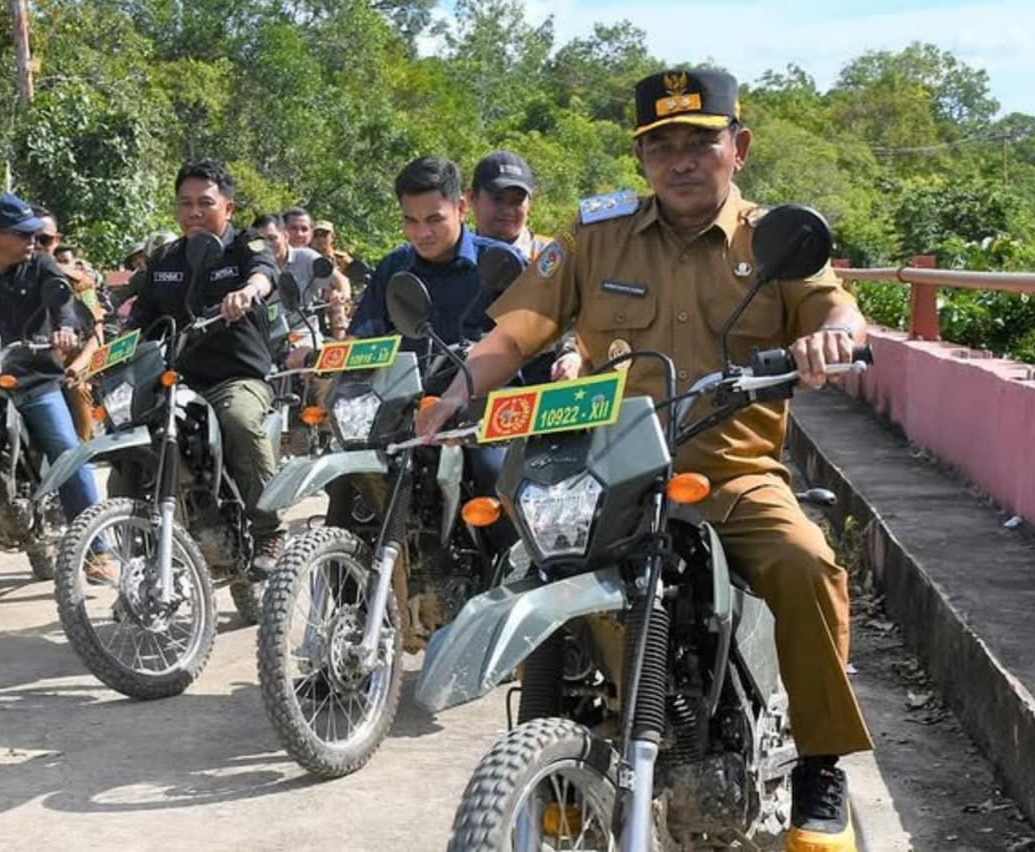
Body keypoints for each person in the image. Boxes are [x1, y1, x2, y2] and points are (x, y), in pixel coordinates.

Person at [417, 69, 874, 851]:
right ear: (642, 159)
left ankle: (821, 766)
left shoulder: (771, 239)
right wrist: (454, 393)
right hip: (612, 476)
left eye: (700, 142)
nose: (680, 160)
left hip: (730, 475)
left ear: (739, 147)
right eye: (661, 146)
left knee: (807, 563)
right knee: (532, 564)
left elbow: (835, 305)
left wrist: (833, 336)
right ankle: (556, 762)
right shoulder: (599, 234)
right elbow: (519, 330)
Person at [124, 160, 285, 576]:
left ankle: (269, 531)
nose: (194, 212)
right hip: (180, 380)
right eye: (185, 203)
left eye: (205, 203)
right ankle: (137, 545)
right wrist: (110, 346)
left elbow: (265, 272)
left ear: (228, 207)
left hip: (239, 377)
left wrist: (247, 291)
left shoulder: (244, 245)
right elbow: (140, 318)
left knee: (239, 420)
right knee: (132, 433)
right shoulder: (166, 259)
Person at [345, 155, 524, 511]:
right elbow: (362, 337)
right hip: (406, 407)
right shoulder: (393, 267)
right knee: (347, 476)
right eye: (410, 221)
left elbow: (533, 338)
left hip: (487, 406)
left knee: (497, 477)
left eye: (433, 219)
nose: (421, 233)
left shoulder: (502, 261)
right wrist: (327, 361)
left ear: (461, 208)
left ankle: (514, 549)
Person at [0, 193, 112, 583]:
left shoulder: (41, 265)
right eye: (24, 235)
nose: (33, 242)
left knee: (68, 450)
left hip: (35, 379)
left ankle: (97, 550)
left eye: (37, 236)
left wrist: (65, 327)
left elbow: (63, 302)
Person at [467, 151, 579, 384]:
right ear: (471, 199)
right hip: (467, 385)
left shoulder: (556, 255)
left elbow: (583, 318)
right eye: (498, 199)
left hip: (542, 387)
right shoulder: (458, 258)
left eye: (517, 201)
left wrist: (571, 354)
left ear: (530, 203)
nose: (507, 209)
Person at [32, 210, 104, 441]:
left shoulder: (79, 282)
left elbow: (97, 334)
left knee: (77, 390)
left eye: (44, 239)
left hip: (70, 365)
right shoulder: (5, 275)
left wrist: (76, 368)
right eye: (29, 236)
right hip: (23, 364)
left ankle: (82, 452)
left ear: (55, 241)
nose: (36, 245)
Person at [252, 213, 351, 347]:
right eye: (261, 241)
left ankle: (340, 348)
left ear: (285, 236)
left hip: (303, 333)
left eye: (272, 238)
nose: (268, 245)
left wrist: (342, 294)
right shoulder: (251, 265)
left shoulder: (306, 257)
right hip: (265, 337)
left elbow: (340, 280)